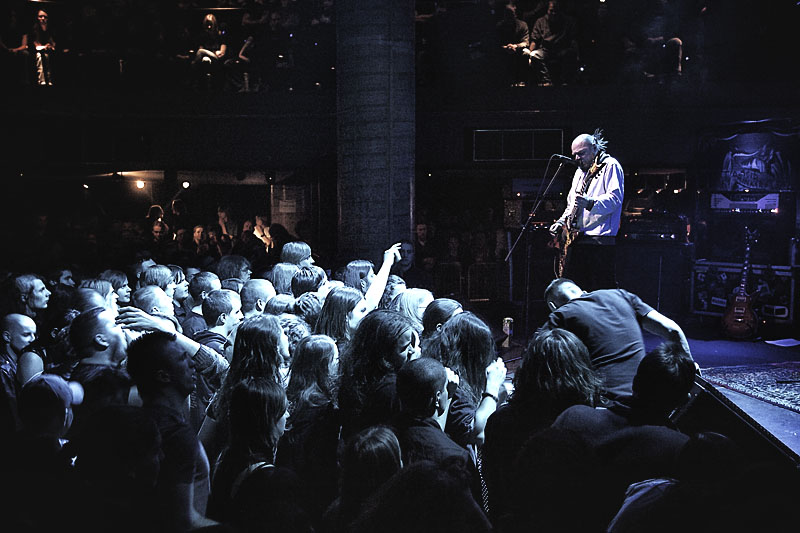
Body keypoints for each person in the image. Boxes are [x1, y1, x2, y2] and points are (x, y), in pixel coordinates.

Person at [482, 327, 601, 522]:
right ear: (581, 369)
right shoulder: (591, 423)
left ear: (527, 368)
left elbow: (492, 483)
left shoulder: (501, 421)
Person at [125, 331, 219, 531]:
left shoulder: (142, 421)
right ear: (163, 376)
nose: (192, 365)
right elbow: (184, 520)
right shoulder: (177, 436)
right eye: (182, 359)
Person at [542, 278, 692, 402]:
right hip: (649, 399)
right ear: (584, 292)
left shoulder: (560, 314)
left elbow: (534, 359)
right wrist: (689, 372)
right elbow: (673, 331)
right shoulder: (622, 295)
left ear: (552, 306)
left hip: (606, 404)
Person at [549, 130, 624, 291]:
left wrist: (590, 203)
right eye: (574, 154)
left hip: (599, 243)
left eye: (581, 153)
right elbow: (572, 204)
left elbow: (615, 200)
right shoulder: (579, 172)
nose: (577, 158)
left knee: (601, 292)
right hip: (578, 240)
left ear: (594, 148)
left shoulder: (610, 166)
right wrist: (562, 222)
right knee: (576, 291)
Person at [207, 377, 289, 523]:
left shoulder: (226, 456)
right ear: (267, 418)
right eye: (283, 411)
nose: (288, 415)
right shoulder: (266, 477)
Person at [337, 309, 420, 439]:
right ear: (383, 354)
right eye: (405, 348)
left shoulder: (355, 374)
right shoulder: (391, 389)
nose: (413, 351)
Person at [322, 426, 403, 533]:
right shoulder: (405, 518)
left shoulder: (333, 515)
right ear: (393, 468)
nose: (402, 463)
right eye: (399, 458)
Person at [526, 1, 578, 86]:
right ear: (547, 10)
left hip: (562, 49)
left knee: (570, 53)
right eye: (551, 11)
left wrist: (576, 52)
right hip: (546, 50)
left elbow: (573, 39)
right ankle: (546, 81)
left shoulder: (568, 21)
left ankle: (565, 82)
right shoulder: (541, 21)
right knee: (534, 55)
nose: (553, 13)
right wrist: (529, 54)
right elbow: (534, 40)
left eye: (556, 11)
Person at [496, 1, 530, 87]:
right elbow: (496, 42)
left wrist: (515, 46)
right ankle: (505, 81)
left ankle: (522, 80)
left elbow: (526, 42)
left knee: (526, 53)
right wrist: (506, 48)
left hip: (518, 50)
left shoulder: (522, 25)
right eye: (507, 14)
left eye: (511, 14)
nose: (509, 17)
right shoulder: (499, 26)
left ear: (515, 14)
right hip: (504, 51)